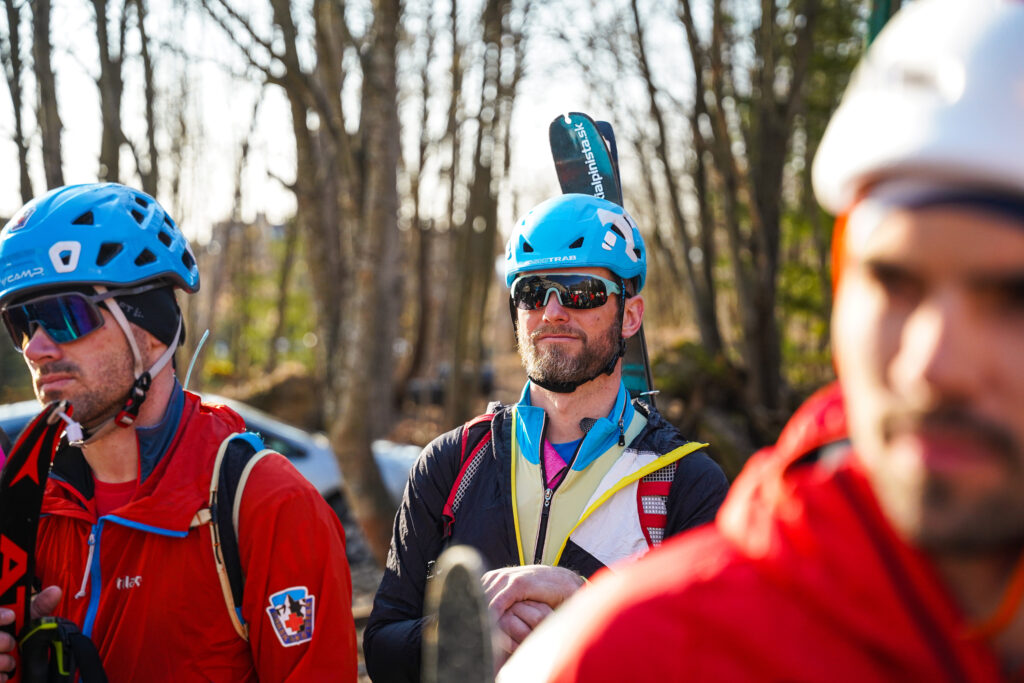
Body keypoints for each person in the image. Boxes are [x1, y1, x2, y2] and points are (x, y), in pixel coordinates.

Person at [497, 0, 1024, 680]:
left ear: (630, 314)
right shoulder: (629, 656)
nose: (934, 364)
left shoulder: (687, 477)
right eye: (894, 281)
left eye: (1012, 299)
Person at [364, 193, 729, 681]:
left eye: (580, 291)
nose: (553, 312)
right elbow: (384, 646)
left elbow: (713, 659)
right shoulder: (451, 462)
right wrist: (464, 632)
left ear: (630, 316)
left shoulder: (687, 481)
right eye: (533, 292)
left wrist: (586, 604)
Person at [0, 183, 357, 681]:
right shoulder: (26, 509)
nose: (35, 348)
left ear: (148, 332)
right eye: (20, 322)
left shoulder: (264, 505)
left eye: (64, 314)